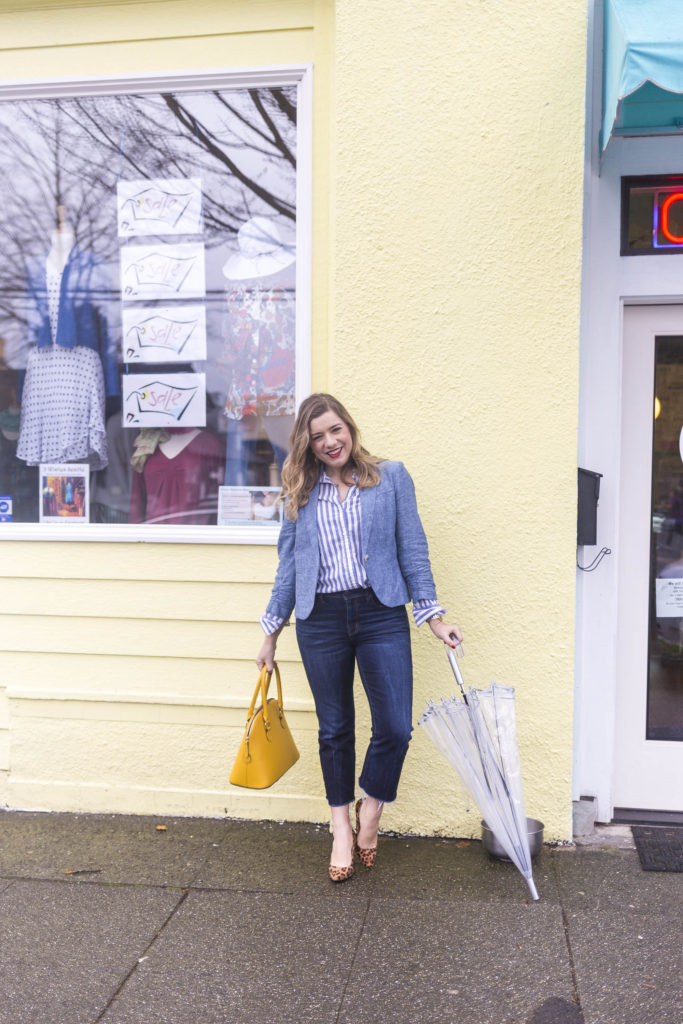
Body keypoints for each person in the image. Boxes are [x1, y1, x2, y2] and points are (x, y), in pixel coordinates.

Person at [257, 393, 462, 882]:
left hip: (380, 612)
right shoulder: (300, 491)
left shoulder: (389, 478)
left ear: (349, 428)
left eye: (336, 429)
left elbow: (413, 548)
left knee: (394, 726)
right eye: (318, 436)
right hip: (320, 619)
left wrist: (434, 617)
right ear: (307, 444)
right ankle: (341, 830)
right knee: (334, 729)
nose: (330, 442)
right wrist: (271, 632)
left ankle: (370, 809)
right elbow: (290, 567)